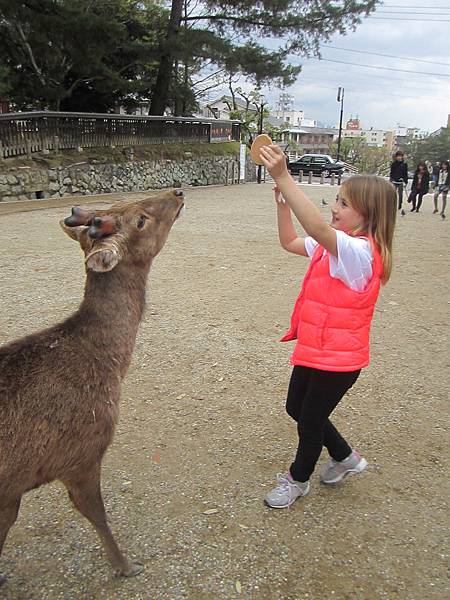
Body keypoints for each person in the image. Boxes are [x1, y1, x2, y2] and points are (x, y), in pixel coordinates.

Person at [258, 144, 396, 509]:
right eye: (336, 199)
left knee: (310, 422)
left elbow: (318, 229)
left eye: (345, 204)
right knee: (296, 409)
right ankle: (345, 457)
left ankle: (297, 479)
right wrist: (282, 206)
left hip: (340, 360)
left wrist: (284, 176)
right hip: (315, 348)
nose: (334, 208)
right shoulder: (333, 248)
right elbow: (289, 241)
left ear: (369, 216)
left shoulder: (360, 253)